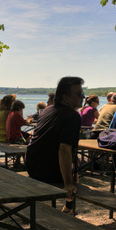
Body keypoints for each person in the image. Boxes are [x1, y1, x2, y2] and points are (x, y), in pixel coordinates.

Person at [26, 76, 85, 213]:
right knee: (75, 165)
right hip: (47, 172)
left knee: (74, 161)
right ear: (65, 98)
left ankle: (68, 207)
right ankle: (68, 207)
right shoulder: (72, 116)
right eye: (79, 94)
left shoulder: (48, 110)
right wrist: (68, 184)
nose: (83, 97)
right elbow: (64, 150)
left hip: (32, 167)